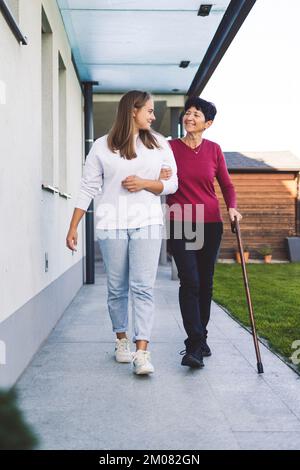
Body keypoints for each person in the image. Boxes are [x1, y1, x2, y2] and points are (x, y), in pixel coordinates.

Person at [66, 90, 178, 375]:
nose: (153, 116)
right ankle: (121, 341)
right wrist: (73, 225)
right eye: (149, 111)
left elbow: (172, 184)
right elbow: (88, 187)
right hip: (111, 223)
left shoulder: (160, 144)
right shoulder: (103, 146)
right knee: (117, 289)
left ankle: (142, 353)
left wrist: (145, 183)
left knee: (142, 287)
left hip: (148, 221)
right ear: (132, 111)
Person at [167, 96, 242, 369]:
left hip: (210, 222)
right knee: (190, 281)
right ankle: (194, 344)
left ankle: (201, 335)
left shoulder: (214, 150)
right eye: (187, 113)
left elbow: (227, 186)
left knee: (206, 282)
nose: (189, 117)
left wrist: (232, 208)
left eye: (196, 114)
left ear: (207, 123)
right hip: (183, 220)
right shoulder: (170, 148)